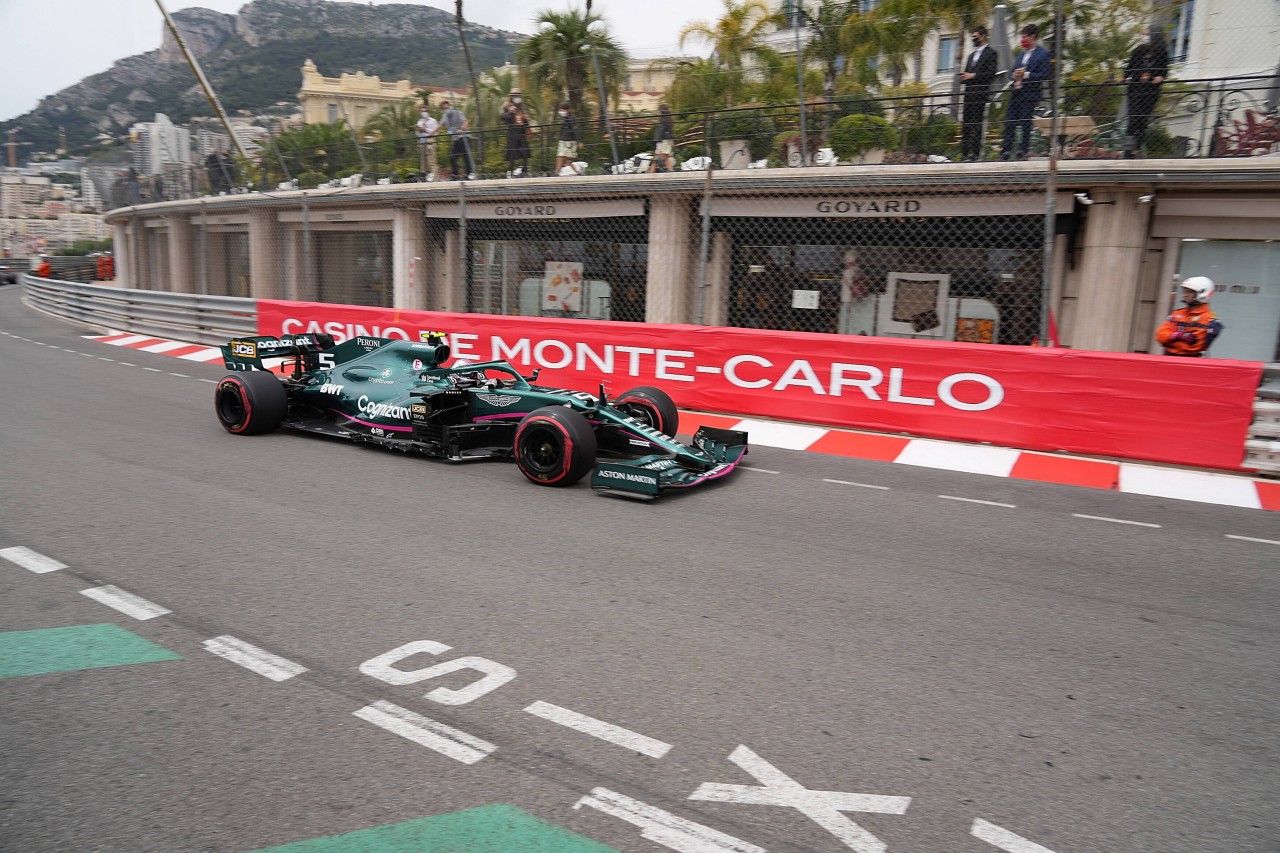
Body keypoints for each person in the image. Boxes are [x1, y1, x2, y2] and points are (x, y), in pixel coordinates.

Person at [1000, 24, 1051, 161]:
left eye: (1024, 37)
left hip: (1030, 94)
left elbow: (1044, 74)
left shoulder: (1043, 54)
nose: (1022, 40)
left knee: (1025, 122)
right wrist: (1015, 76)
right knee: (1010, 121)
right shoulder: (1021, 54)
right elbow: (1012, 72)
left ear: (1033, 37)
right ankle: (1006, 150)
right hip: (1016, 92)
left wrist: (1026, 74)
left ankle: (1023, 151)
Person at [1123, 24, 1169, 159]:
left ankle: (1136, 149)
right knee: (1133, 120)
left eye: (1149, 33)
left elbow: (1164, 70)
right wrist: (1124, 77)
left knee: (1143, 121)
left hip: (1150, 91)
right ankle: (1128, 151)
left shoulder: (1162, 52)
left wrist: (1160, 77)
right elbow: (1131, 65)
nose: (1146, 35)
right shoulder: (1140, 49)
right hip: (1136, 88)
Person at [1157, 276, 1223, 357]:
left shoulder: (1209, 319)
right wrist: (1178, 335)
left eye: (1190, 292)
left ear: (1202, 293)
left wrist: (1171, 338)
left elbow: (1192, 347)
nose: (1185, 295)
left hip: (1190, 360)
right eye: (1185, 291)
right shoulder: (1177, 313)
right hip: (1168, 357)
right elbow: (1160, 336)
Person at [960, 26, 998, 162]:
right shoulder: (971, 55)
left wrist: (973, 76)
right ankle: (964, 154)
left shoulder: (991, 53)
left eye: (975, 37)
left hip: (980, 93)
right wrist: (965, 77)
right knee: (966, 124)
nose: (973, 39)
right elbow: (968, 73)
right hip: (969, 94)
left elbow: (990, 74)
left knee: (977, 124)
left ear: (983, 36)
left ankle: (975, 154)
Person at [439, 100, 475, 180]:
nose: (446, 109)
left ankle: (468, 175)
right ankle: (455, 175)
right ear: (442, 110)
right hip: (456, 139)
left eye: (447, 107)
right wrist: (431, 134)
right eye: (444, 109)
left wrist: (461, 129)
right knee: (453, 157)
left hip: (465, 137)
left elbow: (465, 122)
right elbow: (439, 126)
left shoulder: (457, 112)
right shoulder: (444, 116)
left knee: (466, 157)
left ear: (450, 106)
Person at [499, 88, 531, 177]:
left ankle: (525, 169)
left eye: (518, 95)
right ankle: (510, 170)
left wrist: (526, 119)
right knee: (512, 152)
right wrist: (510, 112)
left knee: (524, 151)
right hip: (512, 133)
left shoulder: (523, 108)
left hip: (522, 132)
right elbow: (502, 117)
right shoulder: (507, 107)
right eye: (515, 95)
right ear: (511, 96)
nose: (517, 97)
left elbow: (526, 121)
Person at [415, 104, 440, 181]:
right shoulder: (419, 121)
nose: (423, 113)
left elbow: (436, 132)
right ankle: (423, 176)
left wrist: (426, 129)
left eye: (425, 111)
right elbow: (417, 133)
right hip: (422, 141)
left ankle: (435, 177)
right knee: (422, 160)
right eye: (422, 111)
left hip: (430, 140)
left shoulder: (433, 121)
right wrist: (419, 130)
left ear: (428, 112)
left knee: (431, 159)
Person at [649, 103, 676, 173]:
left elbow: (661, 131)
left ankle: (650, 174)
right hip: (668, 141)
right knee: (666, 158)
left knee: (656, 157)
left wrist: (658, 141)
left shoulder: (662, 119)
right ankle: (672, 171)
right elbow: (670, 131)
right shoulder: (669, 118)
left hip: (663, 141)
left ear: (661, 110)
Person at [554, 104, 579, 176]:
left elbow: (575, 130)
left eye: (562, 110)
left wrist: (578, 141)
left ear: (567, 110)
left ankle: (556, 173)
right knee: (566, 159)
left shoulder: (570, 119)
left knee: (562, 157)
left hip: (568, 142)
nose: (561, 112)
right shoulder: (566, 119)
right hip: (564, 141)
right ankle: (578, 172)